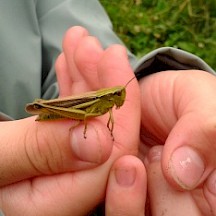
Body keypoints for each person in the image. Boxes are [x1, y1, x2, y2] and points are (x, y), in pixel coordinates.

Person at [0, 1, 216, 215]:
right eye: (117, 95)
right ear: (110, 95)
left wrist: (142, 92)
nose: (120, 98)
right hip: (64, 109)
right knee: (84, 116)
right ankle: (42, 107)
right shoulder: (102, 103)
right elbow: (86, 113)